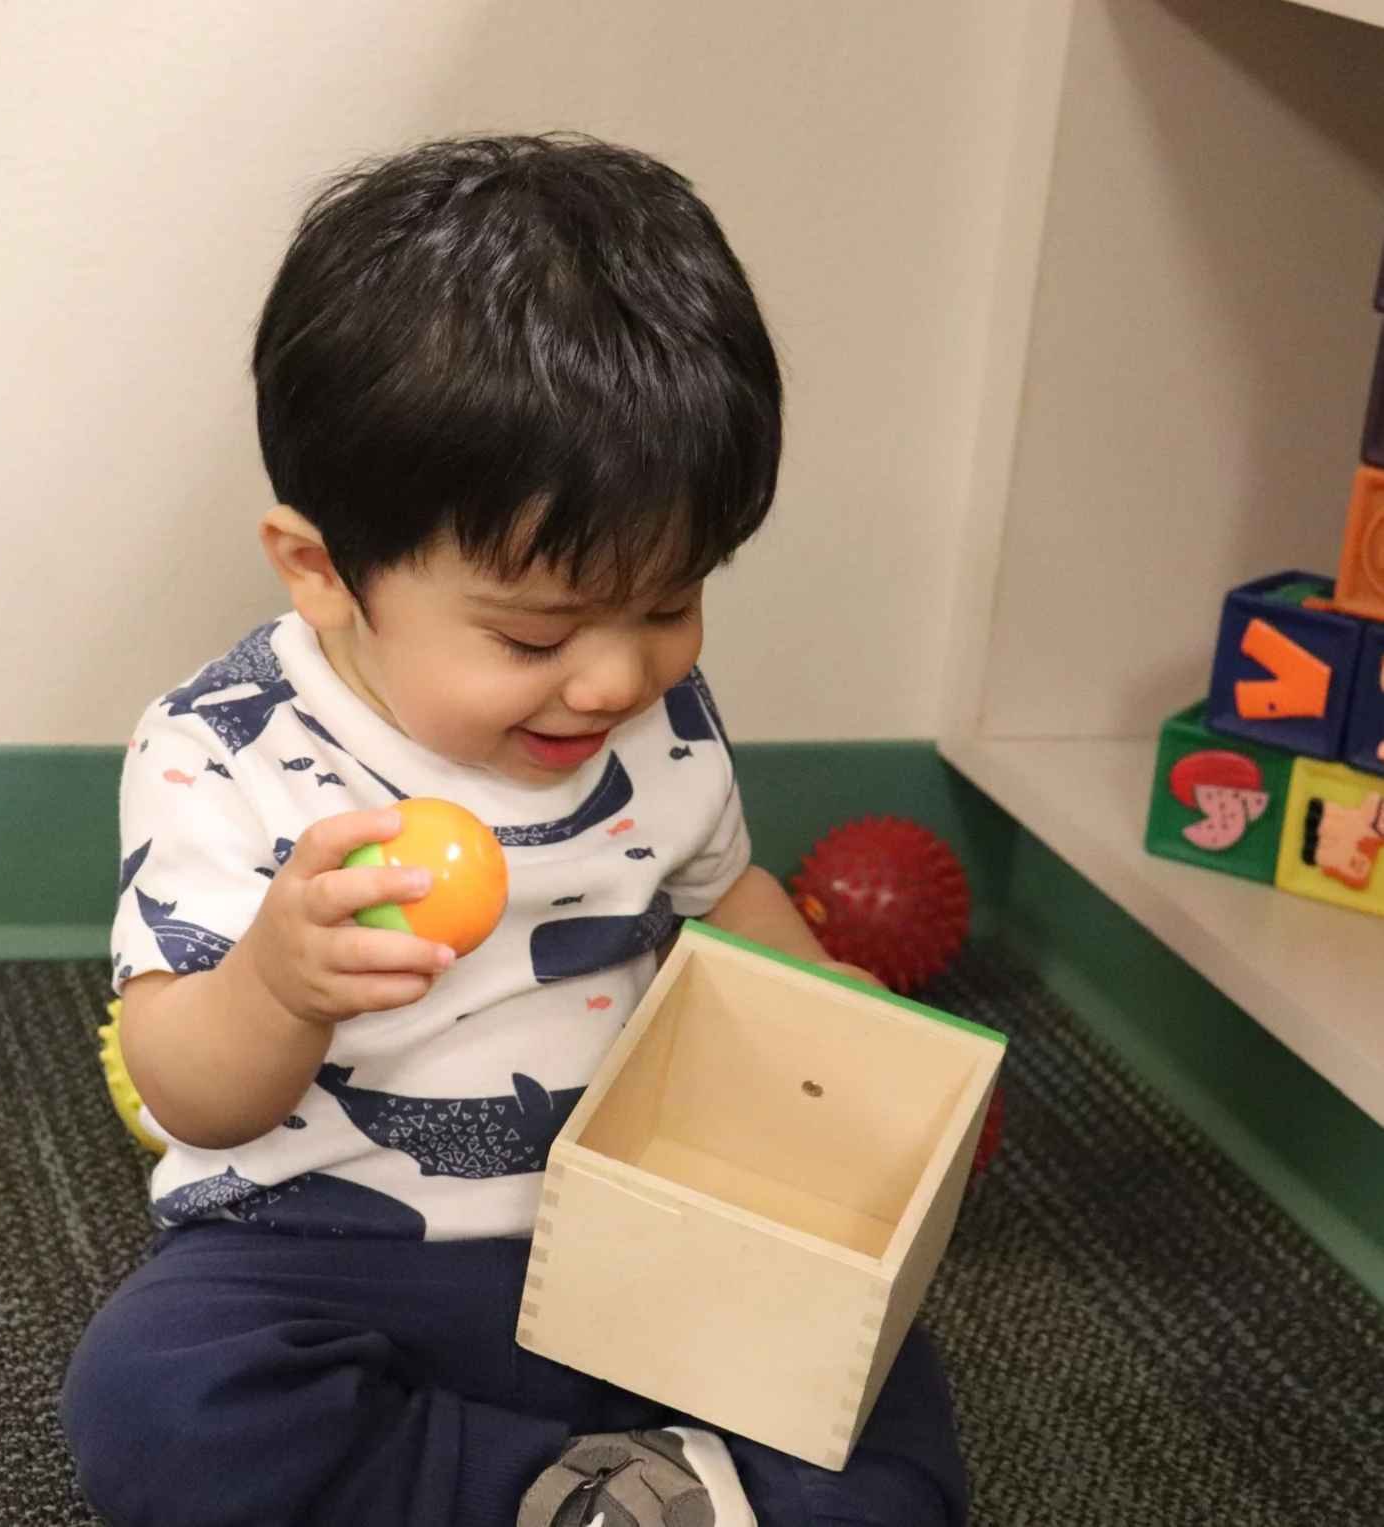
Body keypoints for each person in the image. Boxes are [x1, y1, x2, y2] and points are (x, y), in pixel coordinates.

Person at [60, 133, 967, 1527]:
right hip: (332, 1249)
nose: (614, 679)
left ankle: (618, 1490)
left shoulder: (658, 725)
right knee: (161, 1395)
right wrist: (278, 983)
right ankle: (571, 1498)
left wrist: (841, 1026)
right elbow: (192, 1091)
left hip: (643, 1236)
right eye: (535, 632)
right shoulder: (226, 749)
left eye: (670, 606)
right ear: (321, 571)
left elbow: (729, 903)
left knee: (889, 1413)